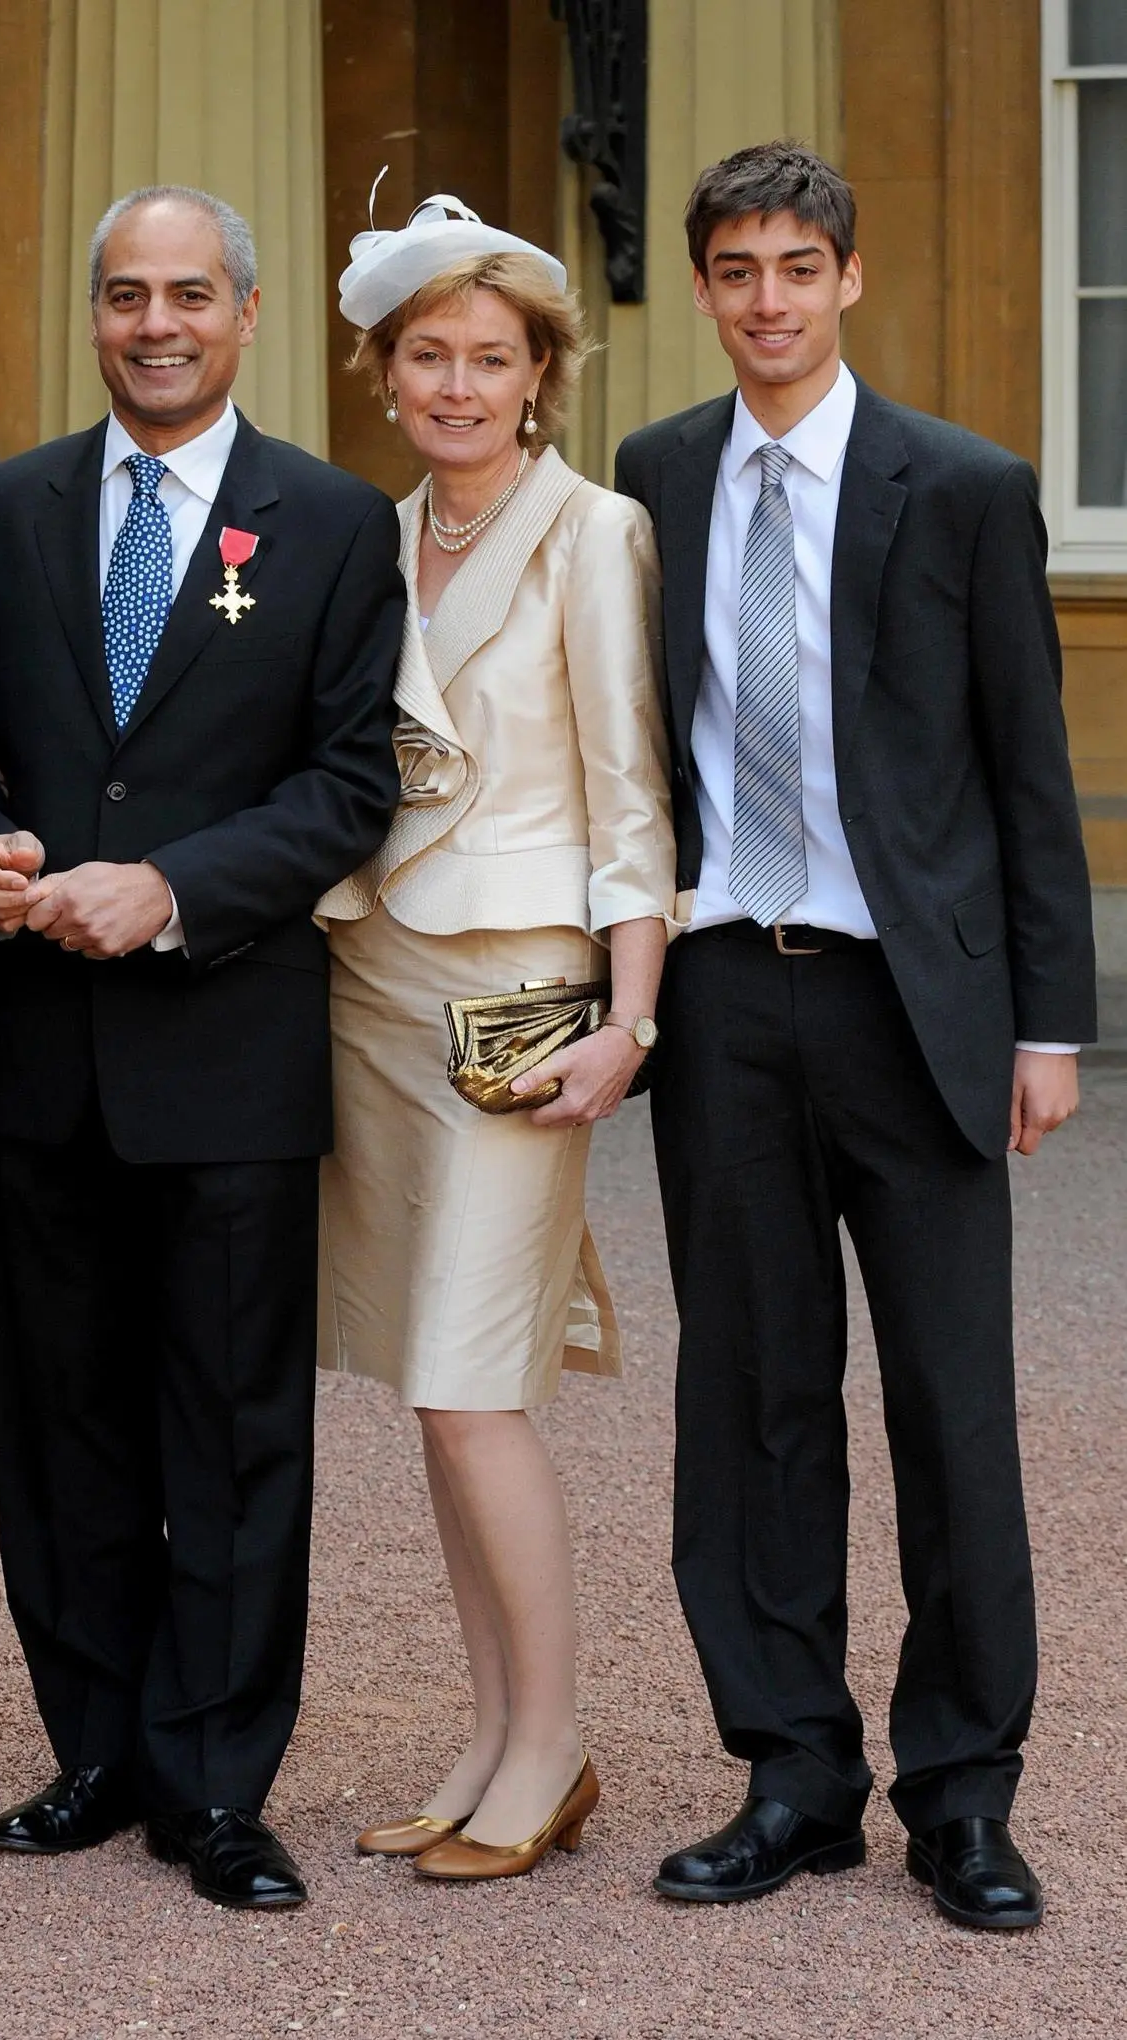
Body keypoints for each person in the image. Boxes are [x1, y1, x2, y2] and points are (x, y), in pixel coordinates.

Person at [614, 141, 1095, 1930]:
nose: (767, 300)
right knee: (750, 1399)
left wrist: (1049, 1023)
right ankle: (794, 1777)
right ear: (704, 287)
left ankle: (963, 1796)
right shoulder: (657, 473)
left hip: (916, 1002)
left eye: (797, 267)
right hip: (727, 987)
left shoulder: (963, 486)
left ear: (849, 280)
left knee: (952, 1407)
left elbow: (1028, 773)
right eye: (736, 269)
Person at [0, 184, 403, 1912]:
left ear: (248, 315)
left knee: (230, 1433)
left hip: (227, 1047)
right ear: (95, 316)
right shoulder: (6, 510)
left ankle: (214, 1784)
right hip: (37, 1051)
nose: (157, 324)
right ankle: (97, 1748)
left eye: (190, 295)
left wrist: (174, 889)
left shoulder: (334, 523)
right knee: (57, 1418)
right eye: (128, 295)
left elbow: (350, 786)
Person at [318, 196, 679, 1881]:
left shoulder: (594, 532)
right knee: (429, 1387)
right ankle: (488, 1737)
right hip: (376, 983)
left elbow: (632, 793)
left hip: (523, 997)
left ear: (542, 374)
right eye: (428, 356)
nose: (457, 385)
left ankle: (556, 1746)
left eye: (489, 358)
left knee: (476, 1387)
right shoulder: (369, 536)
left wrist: (631, 1021)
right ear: (386, 373)